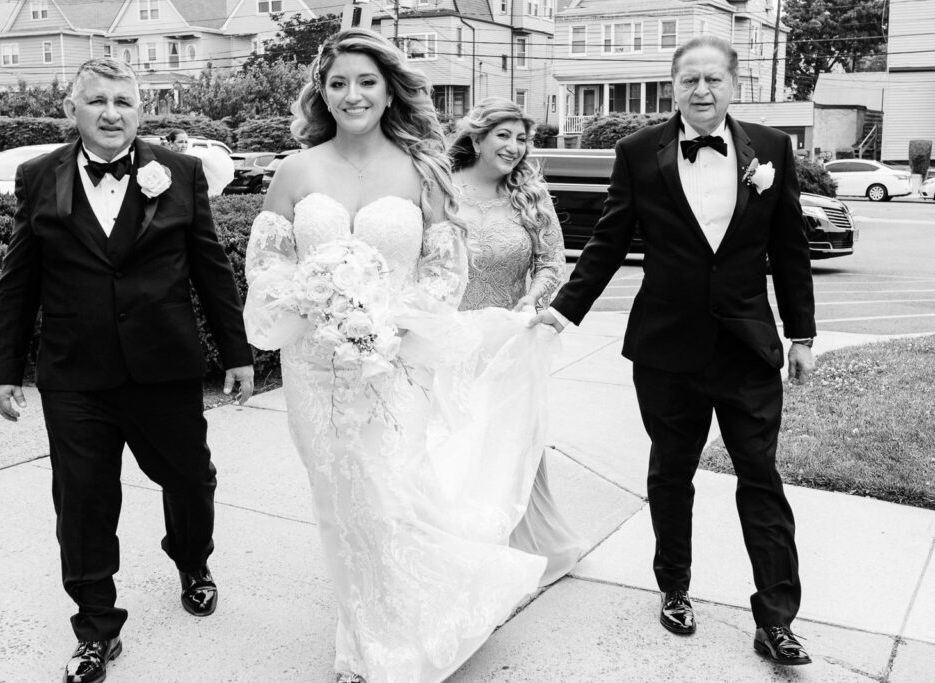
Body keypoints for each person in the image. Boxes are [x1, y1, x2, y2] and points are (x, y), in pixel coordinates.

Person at [244, 28, 558, 682]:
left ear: (389, 90)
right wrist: (313, 298)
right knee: (338, 503)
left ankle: (397, 638)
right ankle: (359, 642)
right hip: (316, 368)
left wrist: (388, 323)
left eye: (366, 81)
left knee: (388, 498)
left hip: (397, 363)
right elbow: (269, 261)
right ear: (321, 94)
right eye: (338, 83)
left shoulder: (422, 170)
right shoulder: (296, 171)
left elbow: (445, 269)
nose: (352, 94)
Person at [530, 35, 817, 665]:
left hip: (747, 348)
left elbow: (790, 248)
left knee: (761, 479)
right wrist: (561, 312)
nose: (702, 91)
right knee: (671, 472)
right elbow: (608, 241)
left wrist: (801, 333)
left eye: (714, 79)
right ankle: (675, 589)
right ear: (673, 86)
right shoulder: (637, 153)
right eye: (689, 80)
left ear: (734, 84)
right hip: (666, 350)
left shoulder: (772, 149)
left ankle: (776, 618)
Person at [0, 58, 255, 683]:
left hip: (164, 367)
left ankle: (192, 560)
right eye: (97, 101)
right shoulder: (38, 176)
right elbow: (19, 276)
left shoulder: (181, 173)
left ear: (141, 109)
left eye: (124, 102)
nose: (112, 113)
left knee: (190, 480)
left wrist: (238, 353)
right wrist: (5, 366)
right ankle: (96, 628)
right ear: (71, 109)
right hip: (75, 373)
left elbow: (210, 268)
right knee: (81, 501)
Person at [448, 96, 586, 585]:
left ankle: (516, 540)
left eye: (522, 138)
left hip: (510, 341)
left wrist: (530, 302)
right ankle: (455, 539)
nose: (514, 147)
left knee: (509, 440)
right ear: (478, 138)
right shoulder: (440, 189)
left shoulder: (530, 193)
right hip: (453, 340)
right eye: (503, 135)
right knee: (454, 440)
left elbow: (552, 261)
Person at [164, 127, 235, 196]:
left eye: (186, 142)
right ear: (171, 143)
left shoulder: (193, 159)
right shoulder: (164, 159)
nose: (184, 145)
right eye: (180, 142)